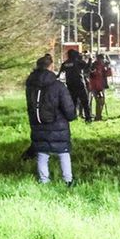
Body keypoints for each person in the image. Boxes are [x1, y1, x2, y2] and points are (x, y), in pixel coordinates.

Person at [25, 54, 77, 186]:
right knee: (63, 152)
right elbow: (68, 106)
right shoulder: (58, 86)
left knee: (42, 153)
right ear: (51, 66)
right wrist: (71, 116)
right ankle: (68, 180)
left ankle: (44, 181)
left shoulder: (30, 85)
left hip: (38, 123)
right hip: (58, 124)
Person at [59, 49, 92, 122]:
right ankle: (88, 117)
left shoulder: (65, 63)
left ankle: (73, 117)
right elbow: (87, 67)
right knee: (84, 101)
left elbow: (59, 74)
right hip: (79, 84)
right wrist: (90, 59)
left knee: (73, 102)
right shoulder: (78, 62)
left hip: (70, 85)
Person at [88, 53, 112, 121]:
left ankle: (99, 115)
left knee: (102, 102)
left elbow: (108, 74)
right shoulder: (94, 65)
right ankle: (98, 117)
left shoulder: (103, 66)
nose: (103, 60)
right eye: (102, 59)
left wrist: (108, 67)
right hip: (95, 86)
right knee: (99, 101)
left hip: (101, 86)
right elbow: (93, 74)